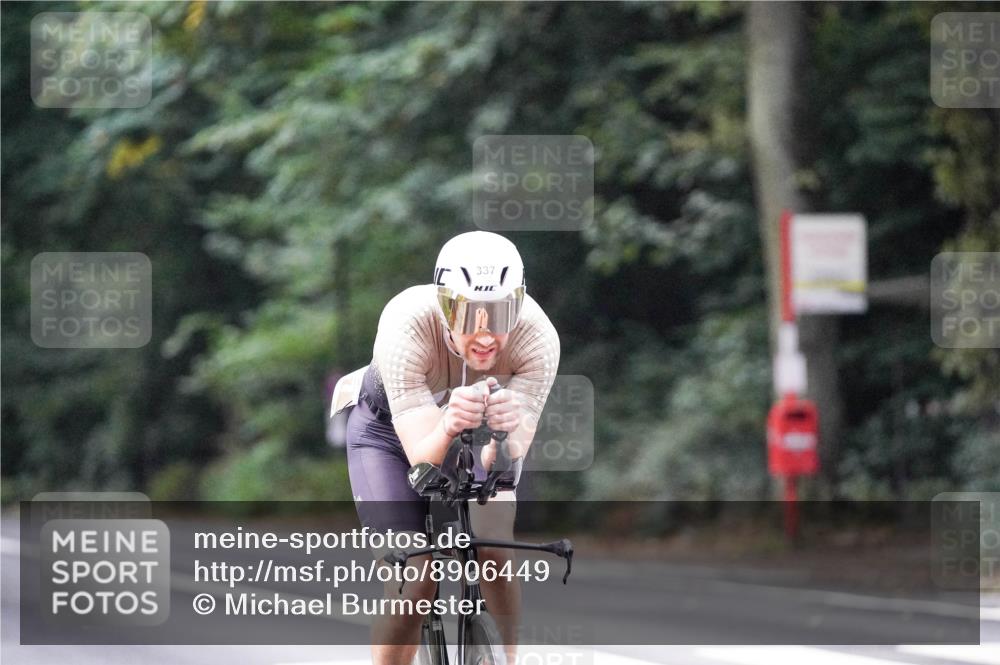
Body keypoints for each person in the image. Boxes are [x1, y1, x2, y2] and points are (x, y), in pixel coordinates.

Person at [342, 230, 560, 665]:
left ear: (518, 305)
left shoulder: (538, 339)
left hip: (476, 430)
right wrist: (446, 423)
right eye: (469, 314)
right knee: (415, 580)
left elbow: (507, 460)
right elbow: (423, 459)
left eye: (500, 314)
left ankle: (510, 658)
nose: (485, 335)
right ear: (444, 308)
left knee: (495, 548)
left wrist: (500, 434)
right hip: (386, 435)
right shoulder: (405, 324)